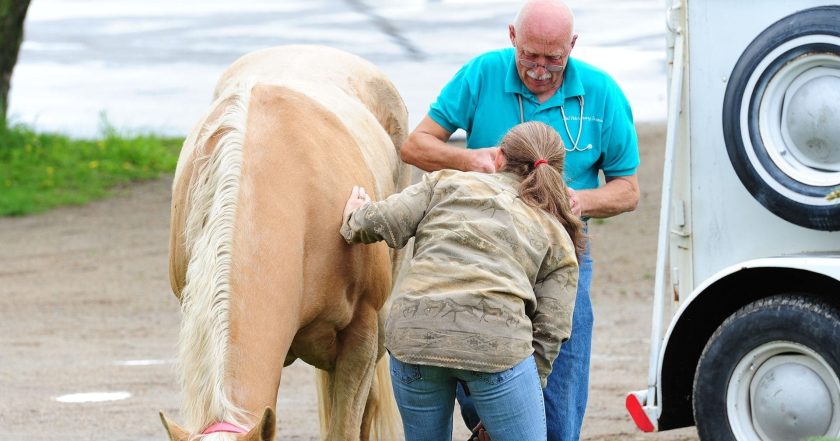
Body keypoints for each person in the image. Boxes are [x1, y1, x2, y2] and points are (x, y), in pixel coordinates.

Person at [399, 1, 640, 440]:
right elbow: (414, 146)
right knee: (471, 348)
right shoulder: (481, 74)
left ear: (572, 46)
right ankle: (487, 427)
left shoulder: (602, 91)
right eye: (530, 55)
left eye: (554, 58)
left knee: (562, 362)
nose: (541, 69)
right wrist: (467, 159)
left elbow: (628, 189)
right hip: (482, 240)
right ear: (512, 37)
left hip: (561, 248)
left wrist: (579, 202)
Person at [341, 122, 583, 441]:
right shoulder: (556, 233)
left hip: (414, 336)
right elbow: (551, 331)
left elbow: (381, 222)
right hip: (497, 347)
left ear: (498, 158)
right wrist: (514, 402)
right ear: (555, 175)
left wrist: (355, 215)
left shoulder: (445, 183)